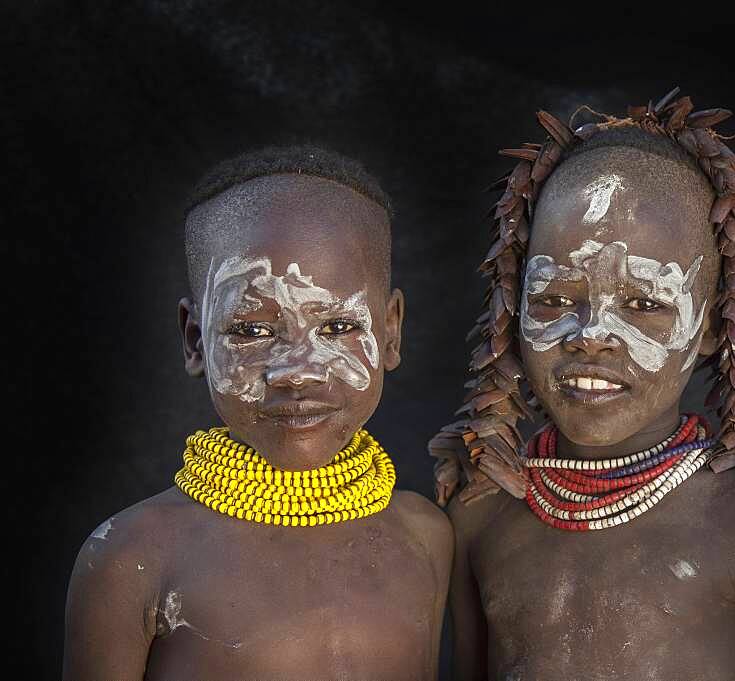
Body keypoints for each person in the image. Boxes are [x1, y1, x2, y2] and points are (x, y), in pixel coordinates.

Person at [431, 92, 735, 680]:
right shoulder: (482, 516)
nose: (591, 335)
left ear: (712, 326)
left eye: (645, 302)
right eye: (554, 299)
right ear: (511, 311)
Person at [64, 146, 453, 681]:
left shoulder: (426, 535)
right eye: (251, 330)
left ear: (390, 331)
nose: (297, 370)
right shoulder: (131, 558)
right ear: (195, 340)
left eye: (338, 327)